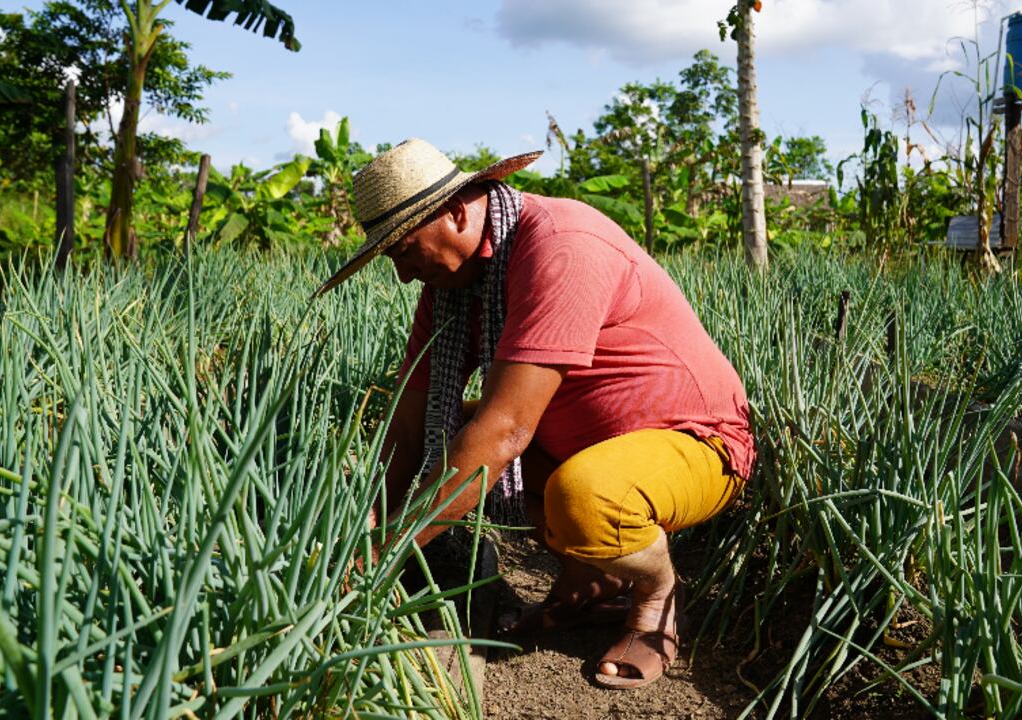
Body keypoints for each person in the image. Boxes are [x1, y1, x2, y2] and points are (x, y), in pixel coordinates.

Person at [314, 138, 755, 689]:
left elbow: (505, 432)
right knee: (444, 430)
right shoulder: (453, 286)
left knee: (582, 495)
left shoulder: (562, 246)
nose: (402, 274)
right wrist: (364, 521)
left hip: (694, 444)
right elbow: (412, 417)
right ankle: (588, 583)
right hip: (587, 439)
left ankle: (657, 594)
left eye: (403, 249)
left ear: (455, 212)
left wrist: (382, 553)